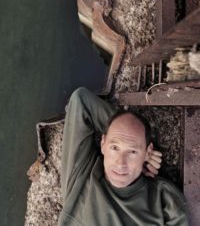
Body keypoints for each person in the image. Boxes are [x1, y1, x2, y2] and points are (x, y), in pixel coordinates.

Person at [58, 87, 188, 226]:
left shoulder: (163, 198)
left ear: (148, 152)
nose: (121, 163)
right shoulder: (81, 176)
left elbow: (82, 101)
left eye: (132, 152)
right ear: (103, 143)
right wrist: (136, 146)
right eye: (114, 148)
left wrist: (141, 149)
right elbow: (81, 101)